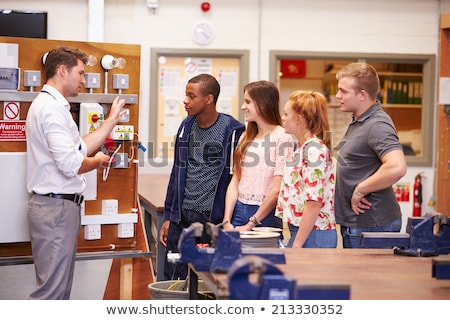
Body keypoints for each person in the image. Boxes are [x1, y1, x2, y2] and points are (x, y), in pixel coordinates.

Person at [26, 46, 126, 299]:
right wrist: (97, 161)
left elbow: (79, 147)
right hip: (56, 209)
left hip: (57, 209)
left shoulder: (54, 106)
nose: (84, 80)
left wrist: (111, 120)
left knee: (57, 291)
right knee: (51, 294)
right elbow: (71, 163)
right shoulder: (51, 109)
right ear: (62, 70)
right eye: (80, 73)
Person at [159, 73, 245, 280]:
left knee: (206, 281)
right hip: (181, 217)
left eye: (191, 96)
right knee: (174, 277)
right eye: (185, 95)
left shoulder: (233, 131)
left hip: (210, 220)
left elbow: (237, 179)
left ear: (209, 99)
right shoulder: (185, 127)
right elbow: (176, 174)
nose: (185, 101)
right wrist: (169, 216)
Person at [334, 62, 407, 248]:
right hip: (357, 224)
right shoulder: (359, 121)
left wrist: (361, 189)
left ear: (362, 95)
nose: (337, 96)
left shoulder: (377, 124)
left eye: (343, 91)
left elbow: (397, 167)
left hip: (372, 225)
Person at [222, 80, 294, 232]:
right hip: (238, 210)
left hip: (266, 214)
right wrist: (227, 220)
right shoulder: (245, 137)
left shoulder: (283, 138)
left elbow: (277, 190)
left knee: (262, 256)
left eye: (247, 102)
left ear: (262, 104)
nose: (243, 107)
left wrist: (251, 224)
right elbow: (235, 180)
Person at [276, 90, 337, 248]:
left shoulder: (314, 150)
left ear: (299, 118)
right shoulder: (302, 148)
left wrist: (297, 245)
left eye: (285, 114)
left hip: (313, 234)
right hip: (305, 231)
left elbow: (314, 202)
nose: (282, 118)